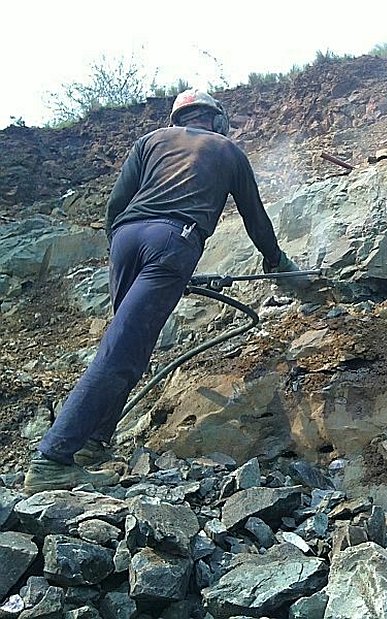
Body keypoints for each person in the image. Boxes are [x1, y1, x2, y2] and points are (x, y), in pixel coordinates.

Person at [23, 89, 310, 494]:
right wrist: (276, 262)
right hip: (175, 239)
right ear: (216, 119)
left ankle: (92, 444)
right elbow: (256, 219)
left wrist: (131, 253)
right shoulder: (227, 149)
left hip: (126, 239)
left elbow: (116, 205)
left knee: (125, 344)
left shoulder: (150, 141)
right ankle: (52, 459)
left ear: (178, 118)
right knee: (122, 351)